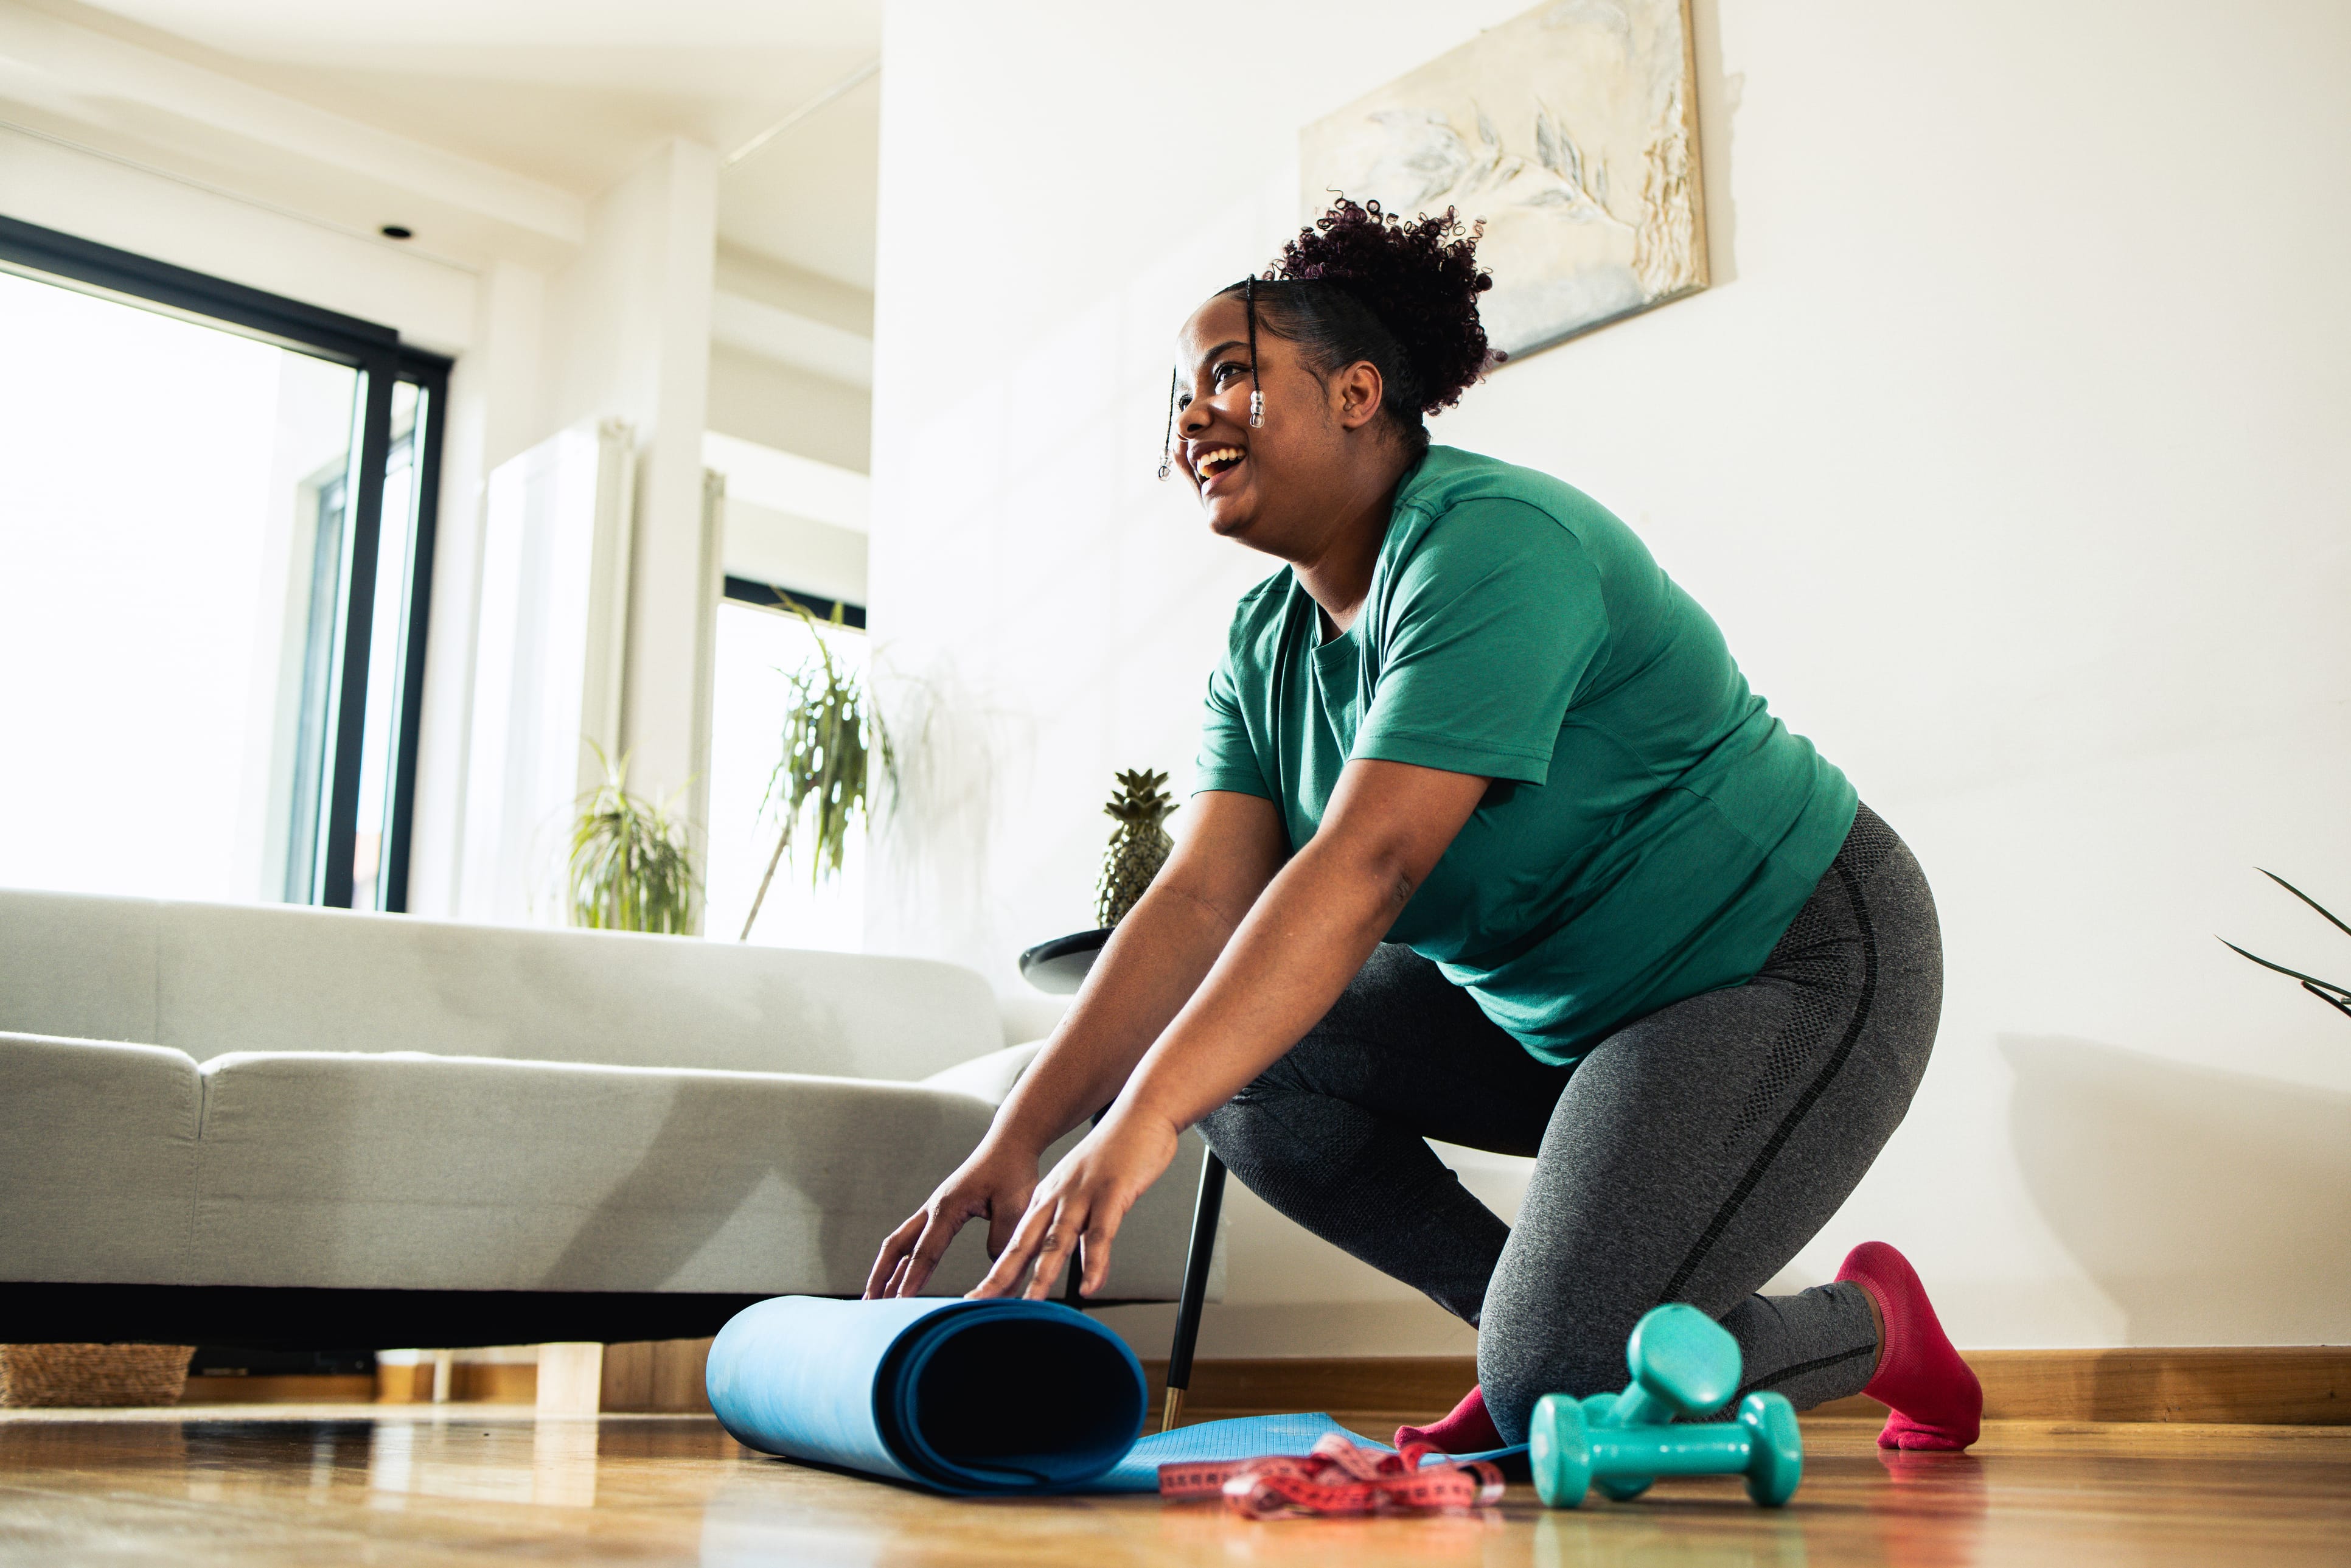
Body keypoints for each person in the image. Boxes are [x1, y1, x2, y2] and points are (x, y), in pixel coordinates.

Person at [865, 199, 1982, 1454]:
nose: (1189, 418)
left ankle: (1860, 1322)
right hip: (1567, 1029)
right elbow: (1193, 903)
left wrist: (1142, 1116)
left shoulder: (1489, 547)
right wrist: (1020, 1135)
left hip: (1795, 961)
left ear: (1356, 392)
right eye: (1178, 394)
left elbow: (1369, 862)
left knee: (1546, 1361)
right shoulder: (1264, 647)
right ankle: (1560, 1343)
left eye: (1229, 373)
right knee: (1250, 1079)